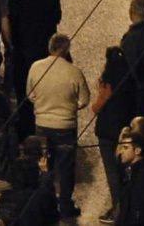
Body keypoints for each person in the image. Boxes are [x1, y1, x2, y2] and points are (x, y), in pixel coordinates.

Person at [23, 36, 90, 208]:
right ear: (66, 50)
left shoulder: (36, 68)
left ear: (49, 47)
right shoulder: (74, 72)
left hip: (42, 124)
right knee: (66, 168)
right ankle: (66, 205)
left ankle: (45, 203)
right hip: (66, 127)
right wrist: (71, 106)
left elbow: (30, 95)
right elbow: (84, 100)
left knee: (44, 164)